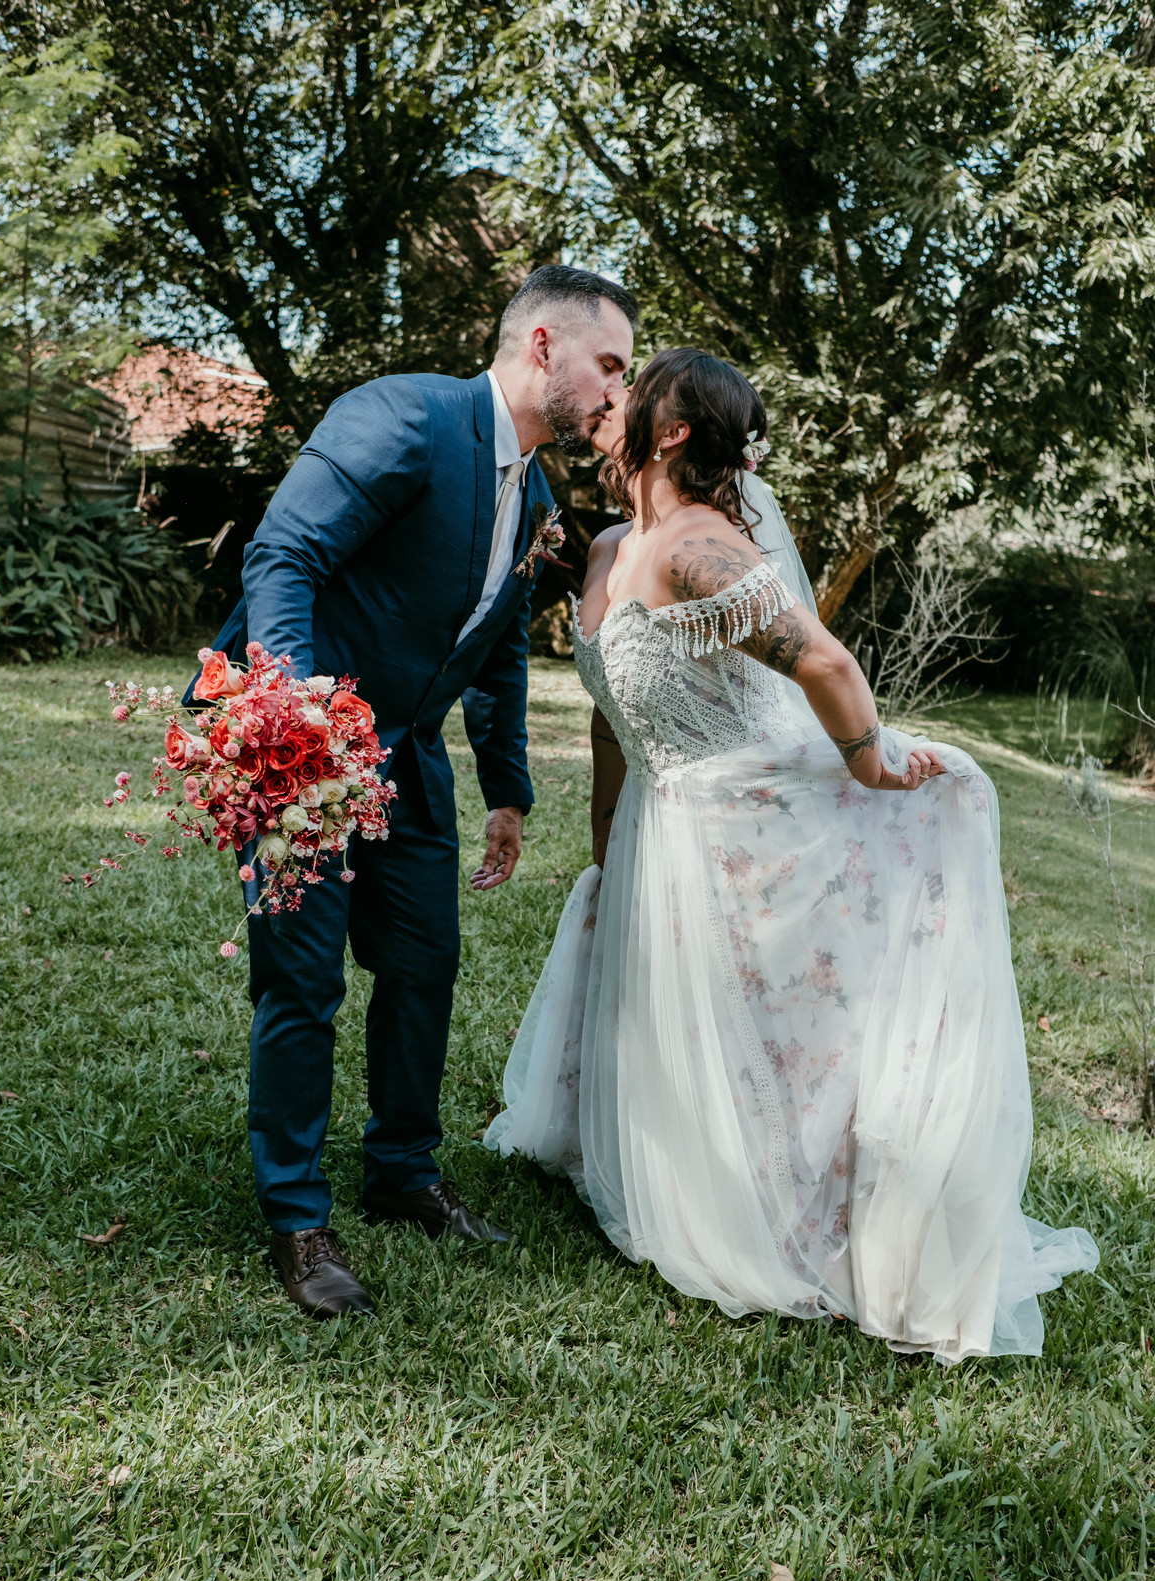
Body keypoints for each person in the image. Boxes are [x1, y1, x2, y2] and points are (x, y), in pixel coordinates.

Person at [486, 348, 1099, 1364]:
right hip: (659, 819)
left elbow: (824, 658)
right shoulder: (606, 552)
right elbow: (611, 711)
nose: (611, 396)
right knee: (692, 1028)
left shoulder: (698, 547)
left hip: (744, 820)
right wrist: (607, 834)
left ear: (673, 429)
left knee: (782, 1033)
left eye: (632, 386)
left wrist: (867, 763)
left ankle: (812, 1213)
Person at [198, 265, 637, 1319]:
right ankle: (298, 1218)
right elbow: (285, 554)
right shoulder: (402, 415)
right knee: (303, 983)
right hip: (299, 740)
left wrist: (508, 787)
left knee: (425, 967)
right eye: (609, 365)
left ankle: (402, 1171)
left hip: (409, 760)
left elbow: (493, 652)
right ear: (542, 344)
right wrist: (300, 721)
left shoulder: (532, 491)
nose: (619, 393)